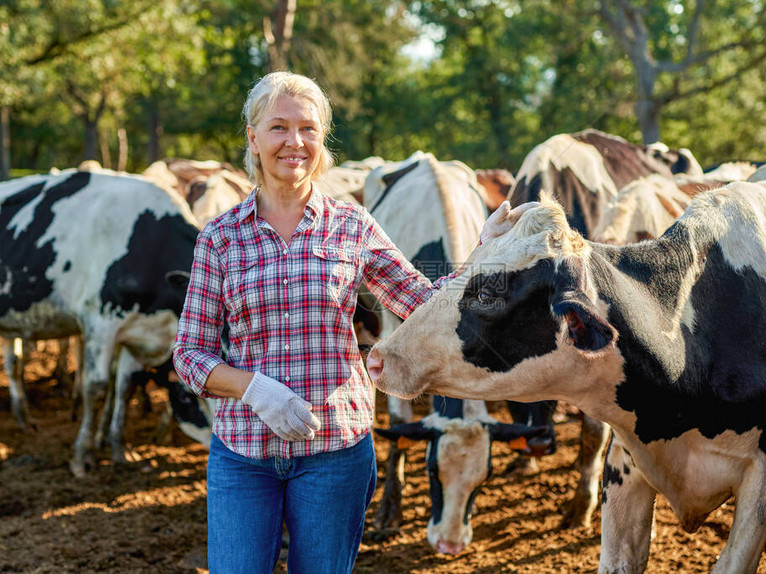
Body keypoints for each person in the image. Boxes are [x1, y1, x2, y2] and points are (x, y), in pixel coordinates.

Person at [172, 71, 533, 574]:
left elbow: (423, 302)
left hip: (335, 453)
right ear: (253, 138)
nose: (294, 142)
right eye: (278, 127)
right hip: (243, 454)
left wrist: (483, 253)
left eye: (308, 129)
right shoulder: (220, 237)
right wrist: (255, 390)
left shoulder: (352, 225)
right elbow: (189, 355)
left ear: (322, 140)